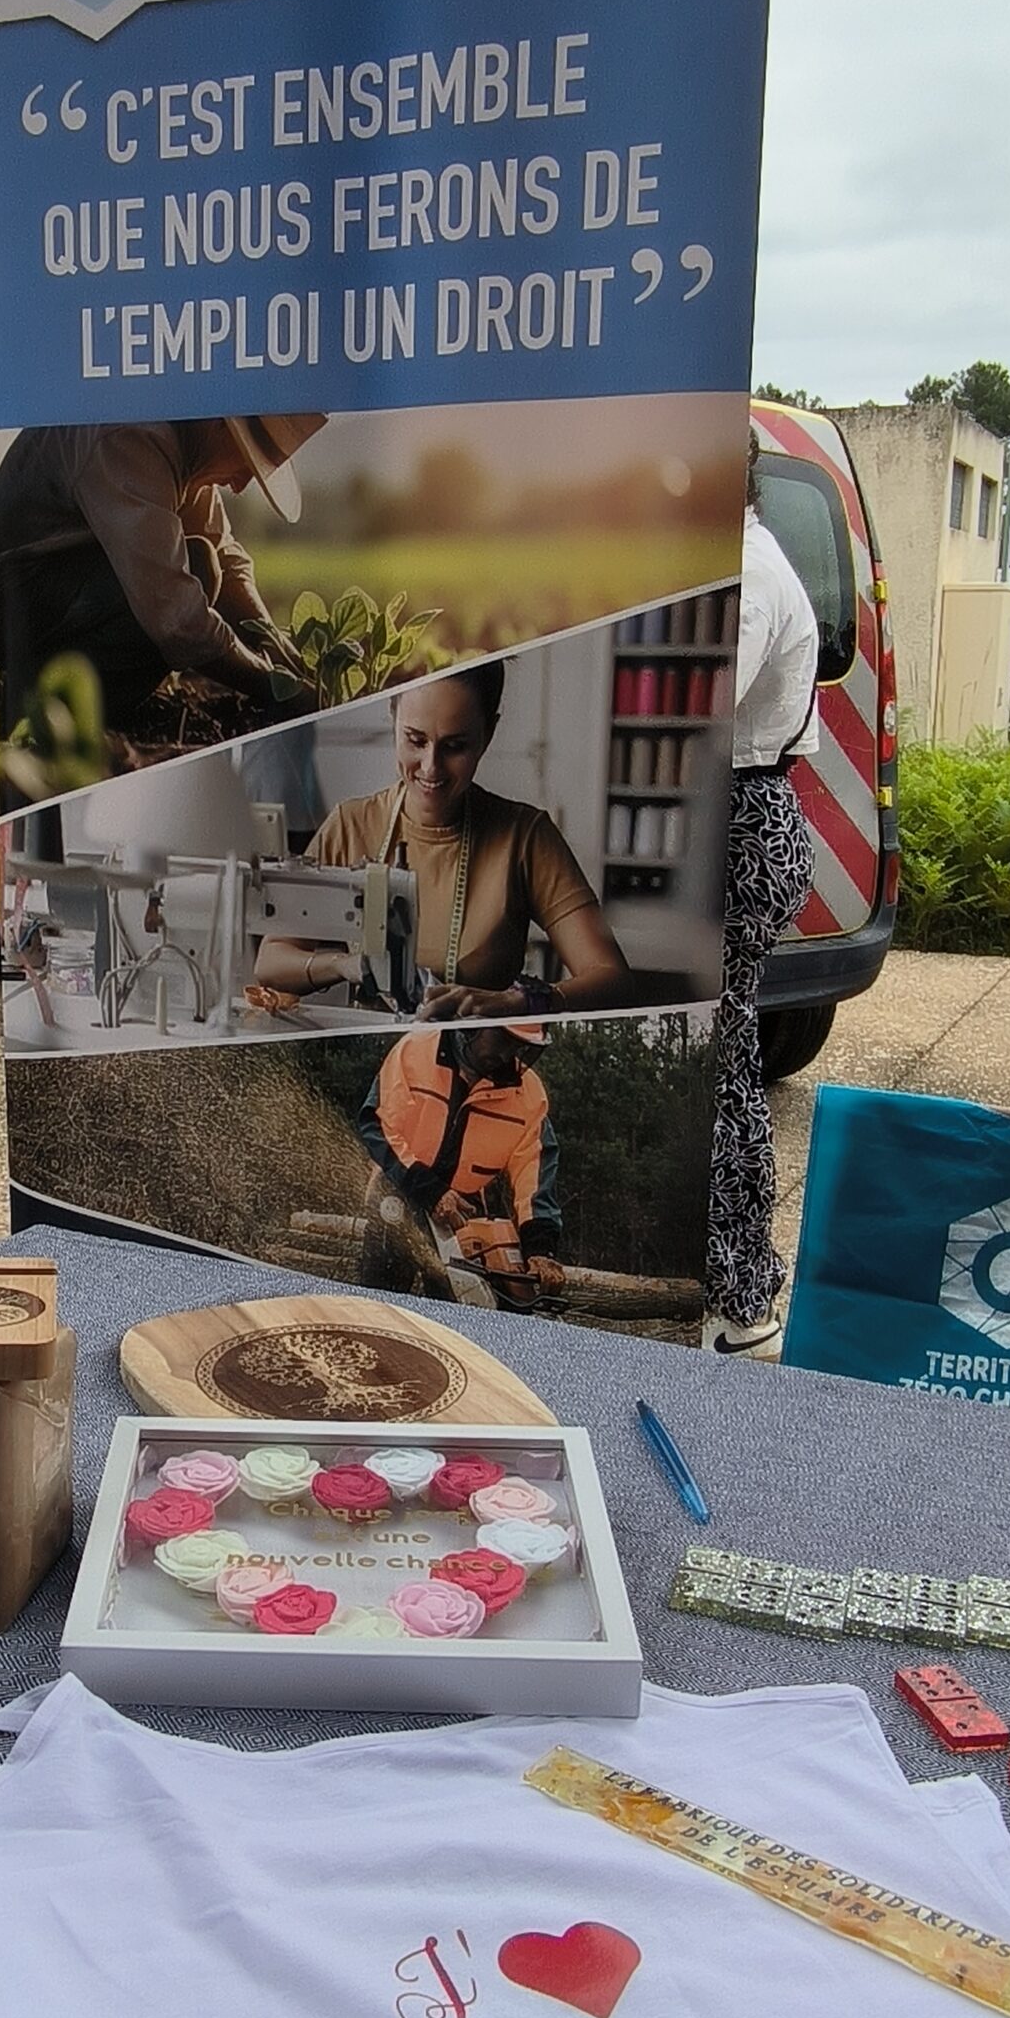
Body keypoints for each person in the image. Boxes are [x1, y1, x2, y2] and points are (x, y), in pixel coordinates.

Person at [251, 661, 640, 1018]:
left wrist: (521, 1001)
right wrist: (343, 965)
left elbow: (612, 978)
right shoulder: (350, 825)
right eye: (415, 740)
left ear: (488, 734)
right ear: (393, 717)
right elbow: (271, 960)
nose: (431, 767)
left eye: (455, 747)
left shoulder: (526, 837)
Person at [0, 414, 325, 735]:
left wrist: (270, 639)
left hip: (68, 594)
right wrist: (278, 689)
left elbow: (225, 554)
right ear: (220, 426)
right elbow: (178, 620)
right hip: (27, 605)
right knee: (197, 567)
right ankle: (47, 706)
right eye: (246, 462)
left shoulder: (187, 446)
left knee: (204, 559)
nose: (239, 484)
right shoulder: (130, 436)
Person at [704, 440, 819, 1360]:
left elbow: (701, 708)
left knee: (719, 1070)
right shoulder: (747, 557)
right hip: (748, 815)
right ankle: (741, 1292)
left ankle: (740, 1298)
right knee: (726, 1061)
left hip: (738, 820)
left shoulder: (745, 573)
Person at [358, 1023, 564, 1305]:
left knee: (462, 1306)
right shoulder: (415, 1051)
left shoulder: (527, 1094)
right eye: (502, 1040)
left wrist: (540, 1246)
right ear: (474, 1026)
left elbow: (535, 1171)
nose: (507, 1054)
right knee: (380, 1303)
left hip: (462, 1209)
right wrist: (430, 1191)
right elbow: (378, 1124)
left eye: (518, 1046)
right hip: (400, 1187)